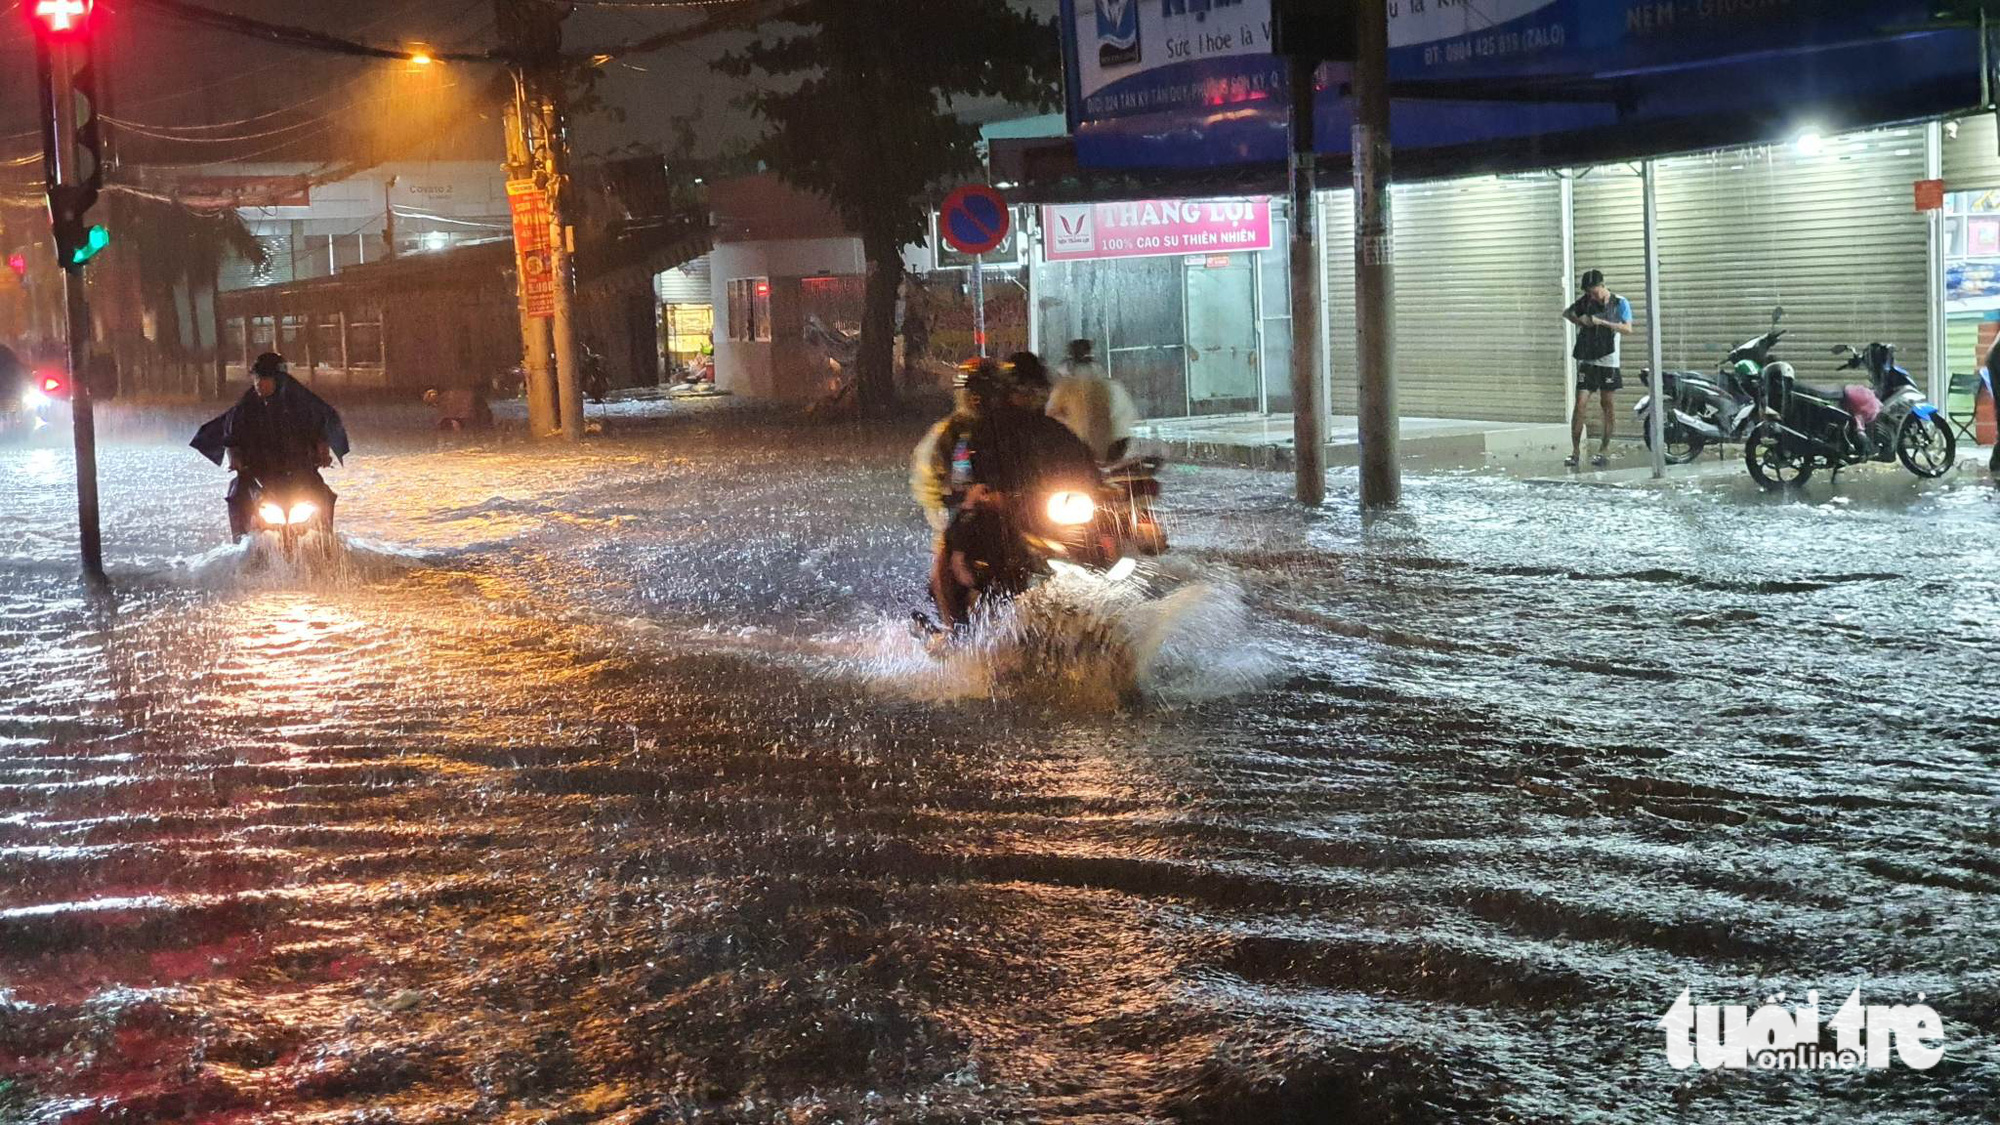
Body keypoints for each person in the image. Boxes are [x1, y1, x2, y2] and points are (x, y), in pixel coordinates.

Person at [913, 356, 1100, 630]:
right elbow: (965, 474)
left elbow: (1082, 462)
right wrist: (975, 494)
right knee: (950, 549)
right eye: (1024, 391)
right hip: (993, 510)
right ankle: (952, 628)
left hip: (1044, 511)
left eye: (1036, 391)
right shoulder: (976, 431)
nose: (1031, 397)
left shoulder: (1053, 429)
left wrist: (1100, 485)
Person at [190, 352, 349, 539]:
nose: (258, 383)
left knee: (325, 497)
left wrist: (323, 451)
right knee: (236, 496)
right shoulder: (245, 408)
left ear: (278, 380)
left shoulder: (304, 405)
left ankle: (327, 542)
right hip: (259, 474)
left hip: (298, 473)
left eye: (264, 378)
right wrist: (236, 459)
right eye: (256, 378)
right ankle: (240, 542)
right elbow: (231, 438)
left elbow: (323, 426)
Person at [1562, 269, 1633, 468]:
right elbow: (1567, 312)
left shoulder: (1620, 303)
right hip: (1588, 360)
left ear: (1603, 286)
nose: (1592, 296)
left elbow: (1628, 328)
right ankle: (1575, 452)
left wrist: (1601, 322)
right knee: (1580, 403)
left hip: (1609, 362)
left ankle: (1603, 450)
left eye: (1594, 292)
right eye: (1589, 293)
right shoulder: (1585, 301)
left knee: (1607, 405)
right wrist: (1579, 320)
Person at [1047, 338, 1138, 463]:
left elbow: (1123, 423)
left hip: (1092, 457)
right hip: (1081, 457)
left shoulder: (1107, 387)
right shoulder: (1109, 387)